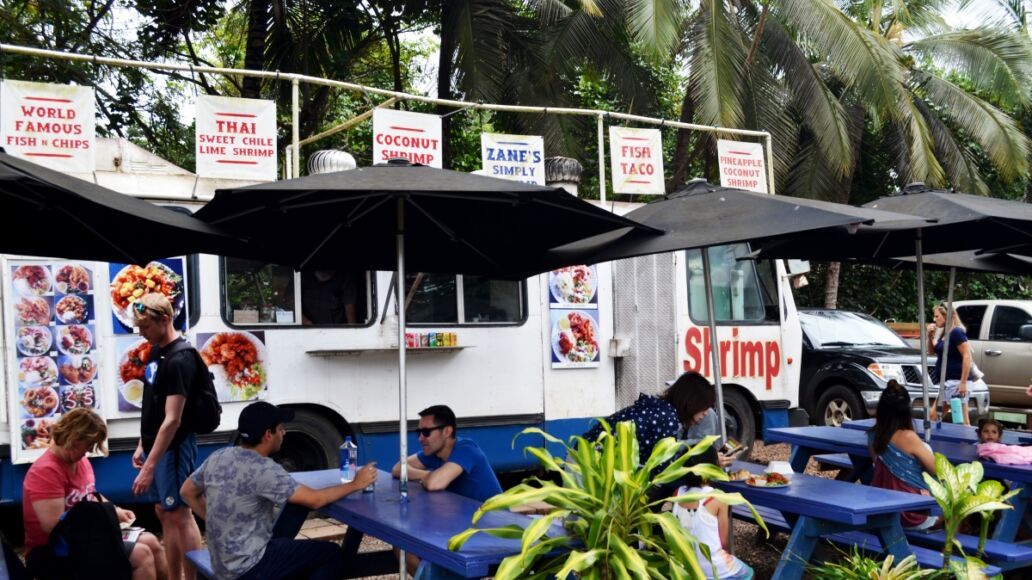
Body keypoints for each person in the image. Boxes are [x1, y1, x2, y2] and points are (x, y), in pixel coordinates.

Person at [180, 401, 377, 580]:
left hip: (222, 562)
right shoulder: (264, 468)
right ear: (268, 435)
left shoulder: (218, 456)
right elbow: (314, 500)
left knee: (292, 548)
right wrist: (355, 484)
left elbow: (187, 491)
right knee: (330, 554)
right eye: (281, 429)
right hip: (248, 567)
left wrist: (220, 523)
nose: (284, 433)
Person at [23, 408, 167, 580]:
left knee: (152, 542)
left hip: (83, 538)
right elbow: (52, 526)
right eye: (89, 444)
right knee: (141, 554)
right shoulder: (46, 471)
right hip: (53, 550)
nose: (90, 450)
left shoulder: (81, 462)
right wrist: (104, 522)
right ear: (74, 438)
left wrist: (115, 510)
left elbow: (90, 495)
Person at [130, 292, 203, 580]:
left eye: (146, 327)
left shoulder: (180, 359)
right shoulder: (156, 351)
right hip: (157, 446)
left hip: (173, 448)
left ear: (165, 320)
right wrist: (142, 444)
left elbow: (173, 419)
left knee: (180, 514)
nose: (142, 333)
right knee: (164, 512)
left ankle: (193, 577)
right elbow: (153, 405)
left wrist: (149, 467)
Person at [583, 372, 735, 468]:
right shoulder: (667, 419)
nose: (705, 415)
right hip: (590, 463)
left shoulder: (662, 410)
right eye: (703, 409)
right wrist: (709, 462)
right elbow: (663, 471)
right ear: (692, 402)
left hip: (590, 457)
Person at [671, 446, 754, 579]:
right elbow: (724, 542)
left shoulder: (677, 493)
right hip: (714, 570)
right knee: (749, 573)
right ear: (713, 467)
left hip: (684, 566)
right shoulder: (717, 498)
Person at [391, 405, 502, 501]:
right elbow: (398, 468)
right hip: (468, 515)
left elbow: (433, 484)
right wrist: (427, 475)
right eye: (418, 432)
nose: (420, 438)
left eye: (426, 432)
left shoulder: (466, 449)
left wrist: (431, 477)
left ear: (447, 431)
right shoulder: (434, 452)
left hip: (495, 521)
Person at [868, 380, 939, 530]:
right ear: (907, 409)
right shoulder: (909, 437)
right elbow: (936, 470)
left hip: (881, 509)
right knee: (958, 510)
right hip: (911, 515)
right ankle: (945, 551)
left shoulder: (873, 435)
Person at [926, 303, 972, 425]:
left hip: (956, 382)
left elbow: (967, 356)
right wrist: (930, 336)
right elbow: (932, 350)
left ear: (947, 316)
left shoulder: (956, 332)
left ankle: (965, 442)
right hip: (947, 382)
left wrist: (963, 382)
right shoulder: (945, 334)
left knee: (961, 419)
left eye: (937, 316)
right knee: (934, 416)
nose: (934, 320)